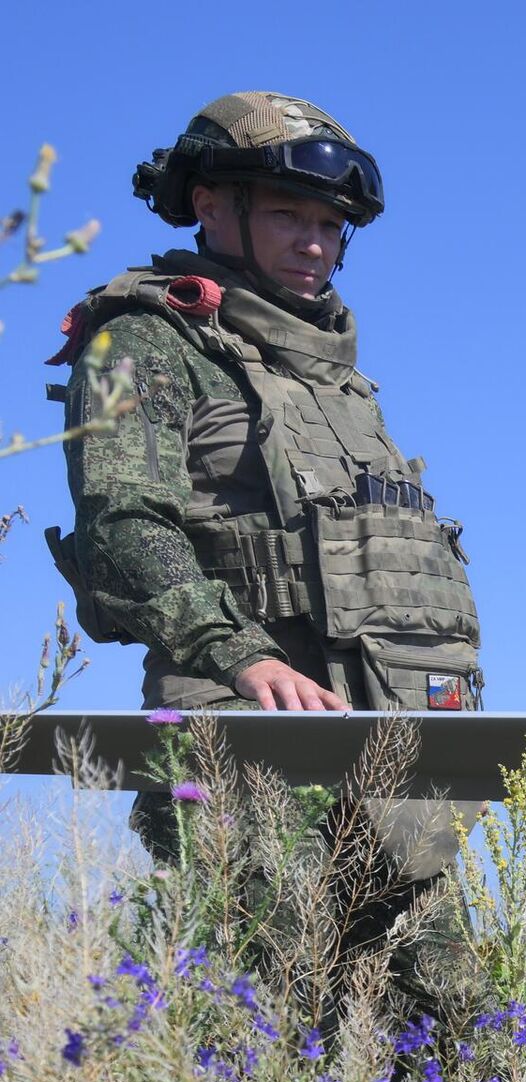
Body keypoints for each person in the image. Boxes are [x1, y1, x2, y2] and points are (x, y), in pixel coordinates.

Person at [46, 92, 480, 998]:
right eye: (289, 215)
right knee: (273, 1010)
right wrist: (242, 657)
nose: (315, 243)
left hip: (387, 740)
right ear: (211, 205)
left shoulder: (338, 380)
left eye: (330, 225)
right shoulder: (143, 342)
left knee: (453, 1022)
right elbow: (122, 527)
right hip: (242, 738)